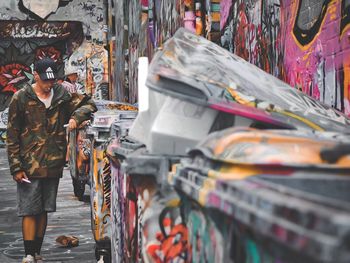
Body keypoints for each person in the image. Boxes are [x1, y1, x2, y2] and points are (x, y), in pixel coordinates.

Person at [6, 57, 97, 263]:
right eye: (45, 80)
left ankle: (37, 252)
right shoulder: (21, 98)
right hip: (28, 164)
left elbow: (89, 103)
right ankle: (28, 254)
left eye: (52, 80)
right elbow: (12, 135)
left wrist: (76, 118)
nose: (49, 84)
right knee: (29, 208)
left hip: (53, 163)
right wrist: (16, 167)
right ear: (35, 76)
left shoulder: (62, 96)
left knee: (44, 208)